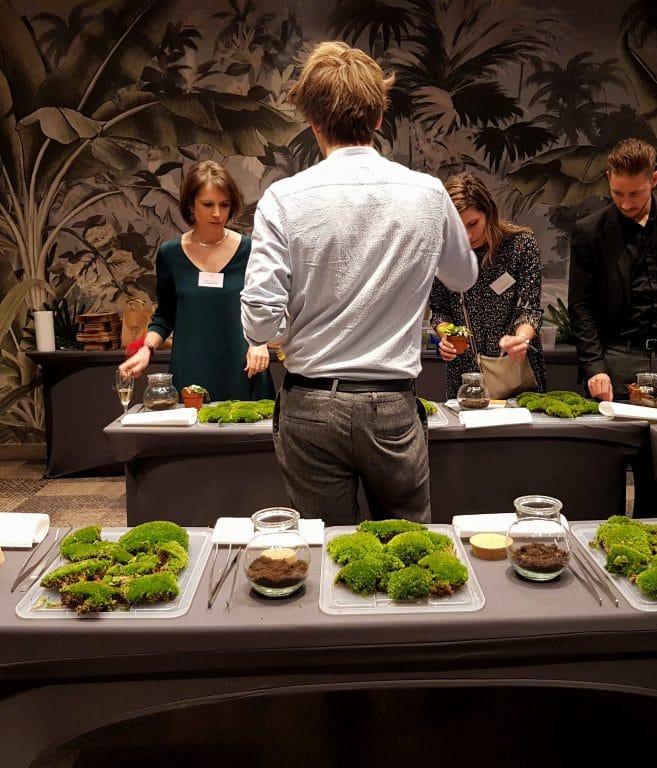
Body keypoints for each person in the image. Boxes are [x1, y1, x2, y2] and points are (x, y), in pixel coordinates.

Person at [240, 41, 477, 525]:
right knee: (408, 546)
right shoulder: (428, 194)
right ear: (379, 118)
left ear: (314, 122)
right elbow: (463, 276)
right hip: (392, 403)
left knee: (324, 546)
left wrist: (285, 327)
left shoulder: (283, 198)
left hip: (311, 403)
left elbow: (261, 321)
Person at [120, 160, 275, 402]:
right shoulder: (170, 254)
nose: (217, 213)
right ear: (191, 205)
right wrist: (145, 349)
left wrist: (261, 342)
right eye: (208, 204)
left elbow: (269, 305)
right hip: (191, 369)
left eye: (224, 205)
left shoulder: (250, 251)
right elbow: (165, 317)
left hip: (244, 367)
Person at [568, 138, 657, 401]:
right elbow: (580, 306)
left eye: (635, 194)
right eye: (617, 193)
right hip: (617, 360)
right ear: (608, 178)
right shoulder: (589, 232)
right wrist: (594, 366)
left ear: (654, 179)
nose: (626, 204)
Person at [430, 171, 546, 399]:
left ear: (489, 212)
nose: (468, 235)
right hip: (465, 375)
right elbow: (440, 311)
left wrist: (521, 339)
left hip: (516, 370)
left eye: (473, 223)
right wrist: (447, 338)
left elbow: (529, 309)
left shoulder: (520, 245)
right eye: (457, 228)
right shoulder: (444, 253)